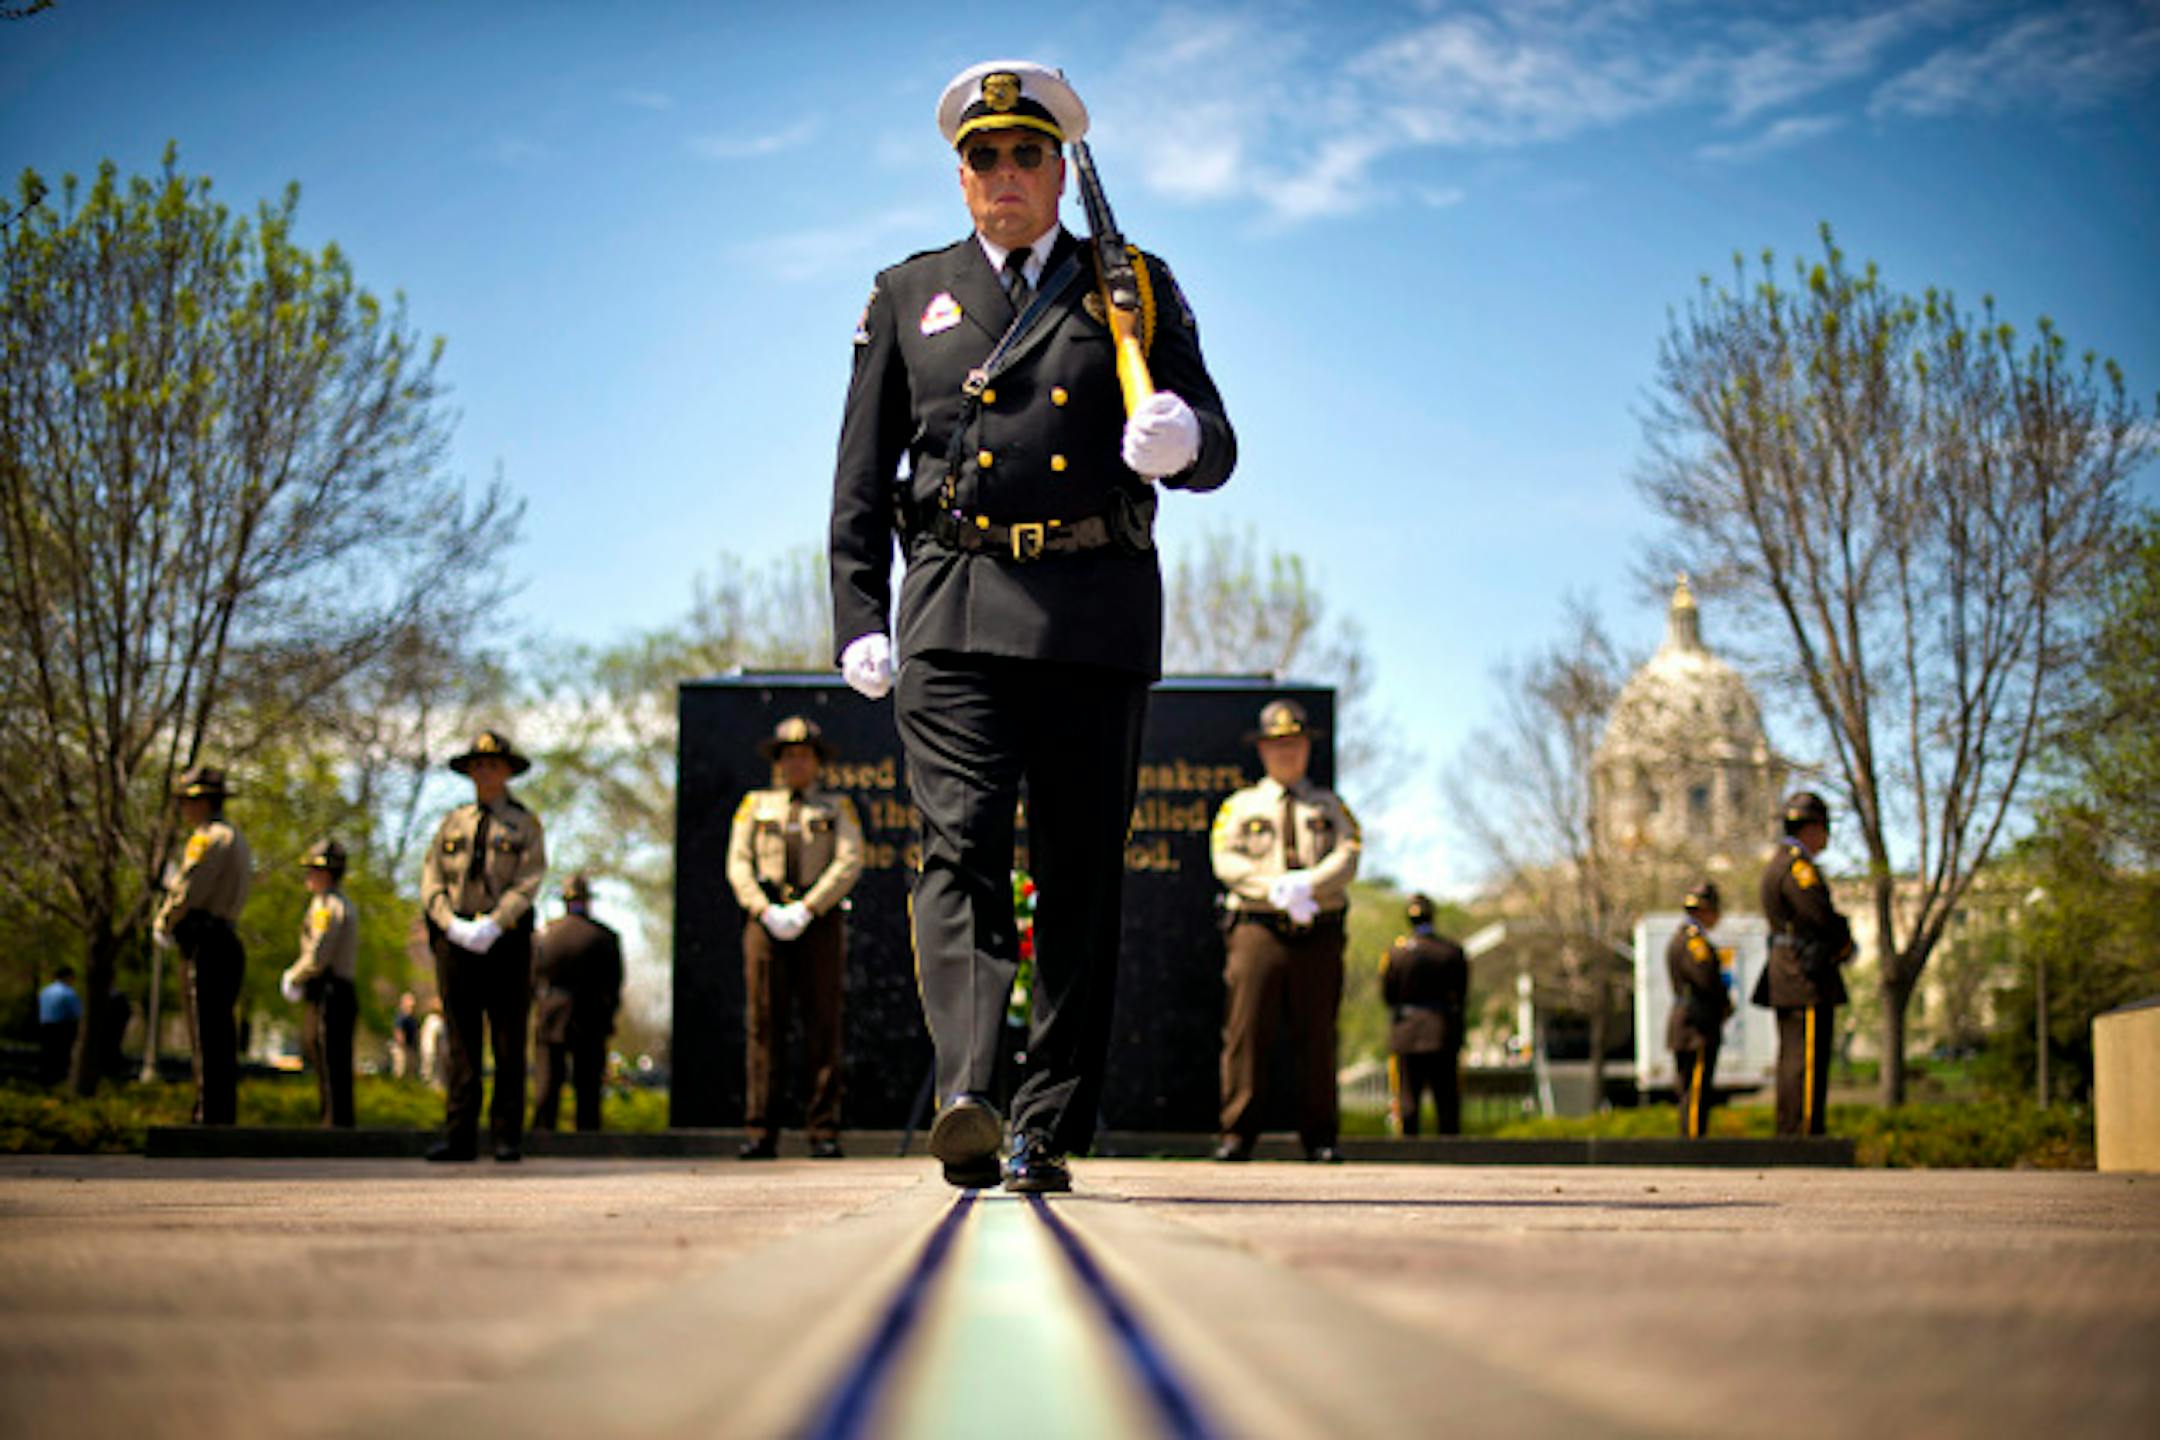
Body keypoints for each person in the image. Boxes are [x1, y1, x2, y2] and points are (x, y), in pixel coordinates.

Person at [828, 60, 1235, 1193]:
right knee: (956, 848)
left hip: (1091, 609)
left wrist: (1183, 441)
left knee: (1078, 872)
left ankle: (1043, 1123)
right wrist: (859, 609)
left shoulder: (1131, 284)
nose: (1003, 173)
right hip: (955, 608)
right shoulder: (910, 293)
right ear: (960, 177)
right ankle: (967, 1090)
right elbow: (860, 473)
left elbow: (1219, 437)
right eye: (982, 157)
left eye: (1025, 154)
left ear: (1059, 169)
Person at [1209, 700, 1361, 1163]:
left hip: (1319, 927)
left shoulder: (1330, 805)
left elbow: (1350, 852)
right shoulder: (1239, 806)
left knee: (1317, 1033)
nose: (1286, 753)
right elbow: (1224, 860)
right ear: (1262, 750)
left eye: (1294, 744)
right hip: (1258, 925)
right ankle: (1237, 1132)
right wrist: (1275, 887)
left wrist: (1308, 884)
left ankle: (1320, 1137)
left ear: (1306, 749)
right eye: (1277, 745)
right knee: (1246, 1031)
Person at [725, 717, 864, 1160]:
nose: (795, 762)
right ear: (778, 762)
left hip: (817, 920)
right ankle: (760, 1129)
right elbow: (738, 862)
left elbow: (850, 859)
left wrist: (809, 908)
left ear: (818, 762)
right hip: (765, 919)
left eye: (804, 754)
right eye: (787, 755)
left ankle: (823, 1130)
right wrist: (763, 908)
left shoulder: (836, 806)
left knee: (823, 1023)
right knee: (764, 1024)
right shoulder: (754, 804)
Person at [420, 730, 547, 1162]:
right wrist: (449, 922)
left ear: (508, 771)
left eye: (492, 764)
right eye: (477, 765)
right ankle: (459, 1134)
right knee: (460, 1039)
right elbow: (431, 878)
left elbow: (529, 879)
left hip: (504, 941)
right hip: (455, 939)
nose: (484, 772)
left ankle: (506, 1135)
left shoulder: (524, 823)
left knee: (508, 1038)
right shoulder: (451, 822)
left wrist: (495, 922)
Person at [153, 765, 253, 1125]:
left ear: (202, 802)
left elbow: (188, 888)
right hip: (226, 938)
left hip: (204, 942)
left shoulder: (207, 838)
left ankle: (207, 1114)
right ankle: (221, 1113)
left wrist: (165, 921)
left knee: (204, 1032)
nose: (184, 809)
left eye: (187, 802)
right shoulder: (236, 837)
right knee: (220, 1032)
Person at [1753, 791, 1854, 1137]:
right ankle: (1805, 1130)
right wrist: (1843, 938)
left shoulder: (1779, 861)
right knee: (1807, 1057)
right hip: (1804, 973)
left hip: (1788, 968)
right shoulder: (1798, 867)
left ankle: (1791, 1129)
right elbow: (1818, 916)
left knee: (1793, 1055)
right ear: (1811, 828)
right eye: (1824, 828)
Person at [531, 873, 624, 1135]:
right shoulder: (604, 937)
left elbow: (533, 978)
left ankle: (542, 1138)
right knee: (588, 1088)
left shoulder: (546, 935)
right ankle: (588, 1140)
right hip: (591, 1016)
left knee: (547, 1084)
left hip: (551, 1016)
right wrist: (609, 1016)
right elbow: (614, 984)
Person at [281, 839, 359, 1128]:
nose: (308, 877)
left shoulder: (327, 906)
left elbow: (318, 953)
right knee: (331, 1058)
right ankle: (335, 1119)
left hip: (329, 991)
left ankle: (333, 1123)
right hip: (336, 991)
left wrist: (294, 975)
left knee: (328, 1058)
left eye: (313, 870)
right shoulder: (339, 904)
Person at [1379, 893, 1468, 1137]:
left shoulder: (1397, 954)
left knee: (1408, 1096)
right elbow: (1461, 994)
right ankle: (1451, 1150)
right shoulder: (1451, 951)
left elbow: (1388, 995)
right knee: (1446, 1097)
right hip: (1442, 1030)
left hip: (1407, 1032)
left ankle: (1409, 1148)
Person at [1666, 879, 1730, 1139]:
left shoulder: (1682, 938)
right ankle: (1693, 1141)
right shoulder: (1695, 942)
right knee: (1696, 1089)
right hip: (1697, 1024)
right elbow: (1706, 979)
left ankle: (1691, 1137)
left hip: (1687, 1020)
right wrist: (1724, 1003)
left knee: (1691, 1088)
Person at [36, 966, 82, 1087]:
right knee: (61, 1057)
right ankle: (59, 1082)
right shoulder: (68, 993)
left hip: (44, 1027)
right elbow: (77, 1014)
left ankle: (44, 1081)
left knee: (46, 1056)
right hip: (62, 1028)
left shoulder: (45, 991)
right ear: (68, 977)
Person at [417, 997, 447, 1090]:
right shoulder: (434, 1020)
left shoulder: (431, 1020)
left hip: (429, 1050)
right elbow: (435, 1038)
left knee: (432, 1071)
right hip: (432, 1050)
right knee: (431, 1071)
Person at [391, 991, 421, 1080]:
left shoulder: (413, 1018)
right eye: (409, 1001)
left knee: (410, 1071)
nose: (412, 1004)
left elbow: (417, 1031)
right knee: (400, 1070)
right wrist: (402, 1045)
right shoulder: (401, 1016)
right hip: (402, 1048)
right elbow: (398, 1031)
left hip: (411, 1047)